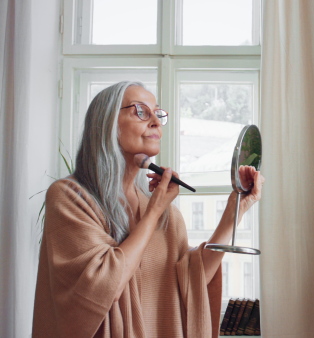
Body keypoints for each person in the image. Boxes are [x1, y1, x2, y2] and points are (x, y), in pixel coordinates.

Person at [32, 81, 264, 337]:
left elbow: (192, 281)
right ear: (106, 123)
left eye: (158, 113)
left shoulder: (165, 212)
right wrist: (153, 212)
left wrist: (237, 208)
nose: (155, 121)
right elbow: (99, 287)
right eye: (141, 112)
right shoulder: (71, 197)